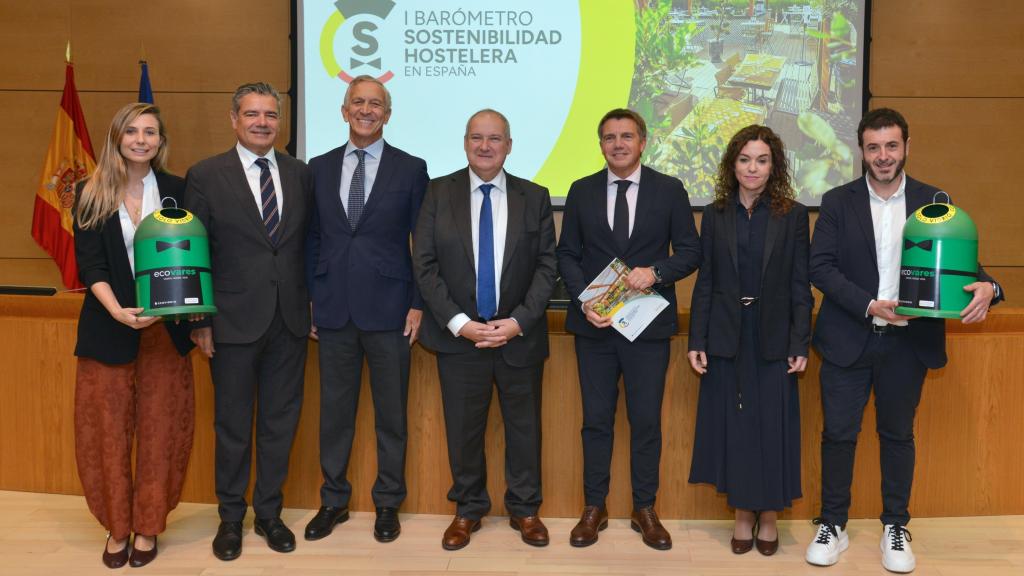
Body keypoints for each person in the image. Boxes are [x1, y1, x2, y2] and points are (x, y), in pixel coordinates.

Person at [805, 108, 1004, 573]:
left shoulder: (934, 200)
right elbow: (821, 268)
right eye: (873, 147)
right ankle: (832, 522)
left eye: (891, 146)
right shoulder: (837, 201)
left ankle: (896, 526)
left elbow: (960, 266)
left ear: (907, 147)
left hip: (906, 346)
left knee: (897, 436)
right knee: (838, 435)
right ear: (861, 151)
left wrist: (990, 288)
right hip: (849, 337)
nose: (883, 156)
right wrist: (870, 304)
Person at [556, 108, 701, 550]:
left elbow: (692, 252)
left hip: (647, 329)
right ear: (600, 145)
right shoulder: (581, 191)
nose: (618, 144)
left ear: (643, 141)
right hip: (595, 329)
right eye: (609, 137)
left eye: (626, 136)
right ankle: (593, 508)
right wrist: (586, 301)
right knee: (596, 422)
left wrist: (655, 271)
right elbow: (567, 255)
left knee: (645, 422)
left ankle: (645, 509)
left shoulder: (670, 190)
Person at [413, 109, 557, 551]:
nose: (486, 146)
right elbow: (425, 264)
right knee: (464, 429)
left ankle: (525, 509)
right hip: (460, 339)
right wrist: (461, 324)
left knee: (524, 429)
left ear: (509, 145)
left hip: (519, 337)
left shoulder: (534, 196)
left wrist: (516, 323)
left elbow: (546, 267)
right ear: (465, 142)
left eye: (495, 138)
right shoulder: (438, 193)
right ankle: (468, 509)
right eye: (477, 137)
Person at [185, 82, 312, 561]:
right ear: (233, 119)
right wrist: (199, 318)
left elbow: (308, 246)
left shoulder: (301, 175)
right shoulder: (206, 174)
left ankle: (270, 514)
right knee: (233, 425)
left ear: (280, 122)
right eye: (252, 114)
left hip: (290, 322)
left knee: (280, 423)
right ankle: (231, 518)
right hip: (231, 322)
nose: (262, 123)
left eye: (270, 115)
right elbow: (195, 250)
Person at [304, 75, 428, 543]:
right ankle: (333, 500)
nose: (366, 110)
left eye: (375, 103)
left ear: (388, 114)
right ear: (343, 110)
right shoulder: (317, 167)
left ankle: (387, 504)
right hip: (332, 310)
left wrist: (418, 303)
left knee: (391, 415)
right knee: (334, 414)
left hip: (392, 311)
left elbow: (424, 242)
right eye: (358, 102)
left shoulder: (411, 169)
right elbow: (312, 238)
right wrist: (309, 300)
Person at [72, 102, 195, 569]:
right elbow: (91, 264)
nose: (141, 140)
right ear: (117, 138)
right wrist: (119, 312)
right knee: (106, 434)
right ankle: (116, 527)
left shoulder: (179, 190)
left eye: (151, 132)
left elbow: (190, 259)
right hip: (108, 328)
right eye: (132, 131)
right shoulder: (88, 192)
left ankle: (147, 527)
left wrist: (166, 311)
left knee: (163, 431)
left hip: (166, 332)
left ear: (161, 142)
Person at [686, 125, 812, 556]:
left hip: (774, 336)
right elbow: (706, 281)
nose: (752, 168)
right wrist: (696, 338)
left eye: (761, 160)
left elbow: (800, 284)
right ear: (732, 165)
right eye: (744, 159)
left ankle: (771, 515)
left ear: (773, 166)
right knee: (736, 428)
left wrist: (801, 342)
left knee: (773, 426)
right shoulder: (716, 213)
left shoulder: (792, 215)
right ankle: (742, 514)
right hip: (726, 333)